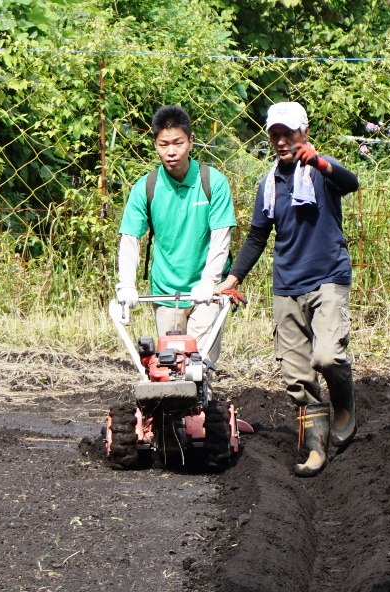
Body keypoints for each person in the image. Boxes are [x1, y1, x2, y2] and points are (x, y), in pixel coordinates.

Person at [216, 101, 359, 476]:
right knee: (297, 374)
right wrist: (233, 278)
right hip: (287, 285)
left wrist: (319, 161)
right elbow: (258, 237)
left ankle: (343, 401)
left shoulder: (321, 171)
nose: (281, 141)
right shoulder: (269, 184)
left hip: (328, 277)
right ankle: (316, 448)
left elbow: (351, 182)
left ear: (304, 133)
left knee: (327, 356)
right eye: (274, 134)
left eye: (288, 134)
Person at [115, 105, 237, 364]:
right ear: (155, 145)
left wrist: (209, 281)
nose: (171, 151)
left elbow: (221, 236)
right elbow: (130, 239)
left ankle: (202, 403)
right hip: (165, 291)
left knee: (198, 363)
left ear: (191, 142)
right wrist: (126, 285)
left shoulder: (212, 182)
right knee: (170, 363)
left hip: (207, 291)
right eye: (163, 144)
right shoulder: (146, 187)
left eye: (178, 143)